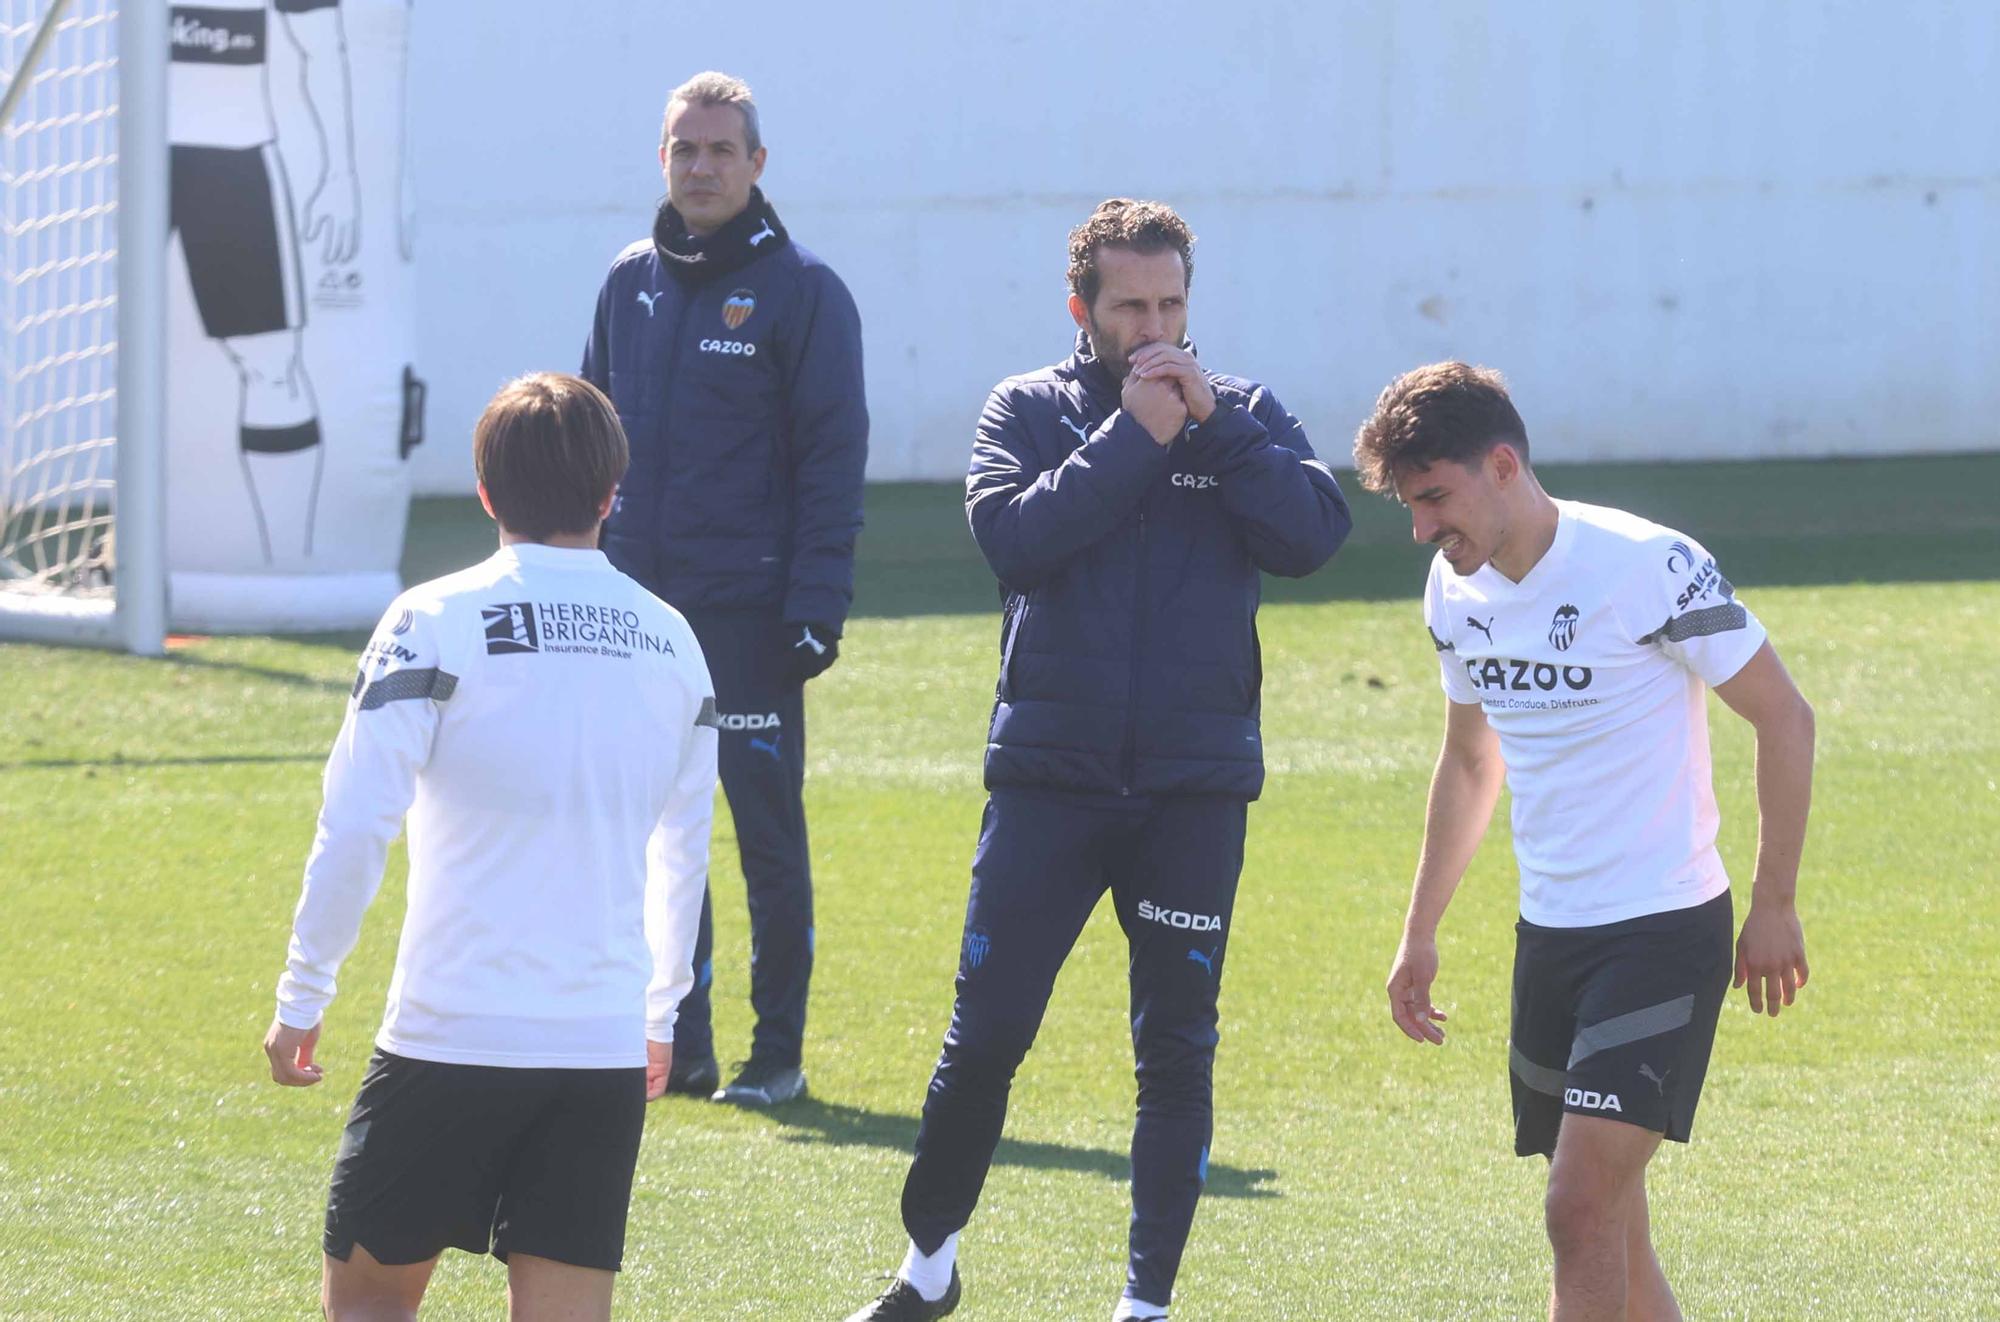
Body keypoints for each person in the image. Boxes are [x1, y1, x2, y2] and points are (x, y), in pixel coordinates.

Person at [846, 199, 1352, 1321]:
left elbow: (1314, 535)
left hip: (1191, 790)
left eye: (1171, 301)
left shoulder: (1246, 415)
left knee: (1174, 1048)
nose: (1155, 324)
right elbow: (1015, 541)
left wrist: (1213, 432)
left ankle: (1144, 1304)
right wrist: (1134, 435)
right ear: (1082, 309)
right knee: (983, 1039)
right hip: (1048, 781)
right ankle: (927, 1264)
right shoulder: (1024, 409)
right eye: (1130, 304)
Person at [1353, 362, 1815, 1321]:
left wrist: (1774, 904)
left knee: (1577, 1205)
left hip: (1663, 930)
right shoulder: (1454, 590)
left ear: (1504, 464)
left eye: (1434, 497)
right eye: (1409, 504)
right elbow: (1472, 763)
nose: (1423, 529)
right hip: (1551, 936)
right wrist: (1421, 928)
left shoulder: (1647, 565)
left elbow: (1785, 718)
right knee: (1612, 1223)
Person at [260, 373, 717, 1321]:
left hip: (448, 1035)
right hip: (599, 1051)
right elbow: (687, 847)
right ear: (609, 493)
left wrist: (304, 992)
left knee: (370, 1306)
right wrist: (660, 1013)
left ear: (484, 492)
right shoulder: (674, 643)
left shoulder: (432, 620)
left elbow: (355, 822)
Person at [582, 70, 867, 1107]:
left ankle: (775, 1053)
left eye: (719, 151)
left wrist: (813, 606)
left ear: (755, 164)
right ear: (662, 159)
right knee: (658, 835)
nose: (700, 167)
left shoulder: (802, 291)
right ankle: (680, 1046)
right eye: (682, 149)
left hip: (749, 618)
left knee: (761, 836)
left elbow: (833, 460)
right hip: (640, 616)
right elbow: (584, 451)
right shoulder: (627, 282)